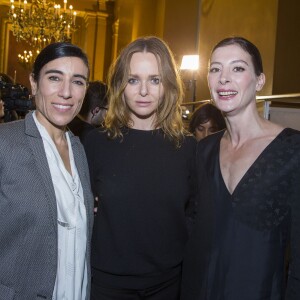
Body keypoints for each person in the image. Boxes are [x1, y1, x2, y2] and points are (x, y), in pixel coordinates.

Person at [180, 36, 300, 300]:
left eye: (237, 68)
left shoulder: (292, 150)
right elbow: (191, 224)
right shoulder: (204, 150)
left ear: (259, 81)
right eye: (215, 69)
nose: (224, 78)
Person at [84, 36, 197, 299]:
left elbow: (194, 215)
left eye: (154, 80)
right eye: (133, 80)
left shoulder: (188, 147)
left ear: (168, 84)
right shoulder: (96, 143)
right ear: (120, 85)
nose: (143, 91)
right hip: (107, 283)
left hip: (169, 283)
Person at [0, 42, 94, 299]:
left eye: (77, 82)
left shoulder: (79, 149)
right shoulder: (5, 143)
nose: (66, 92)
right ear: (34, 82)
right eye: (54, 78)